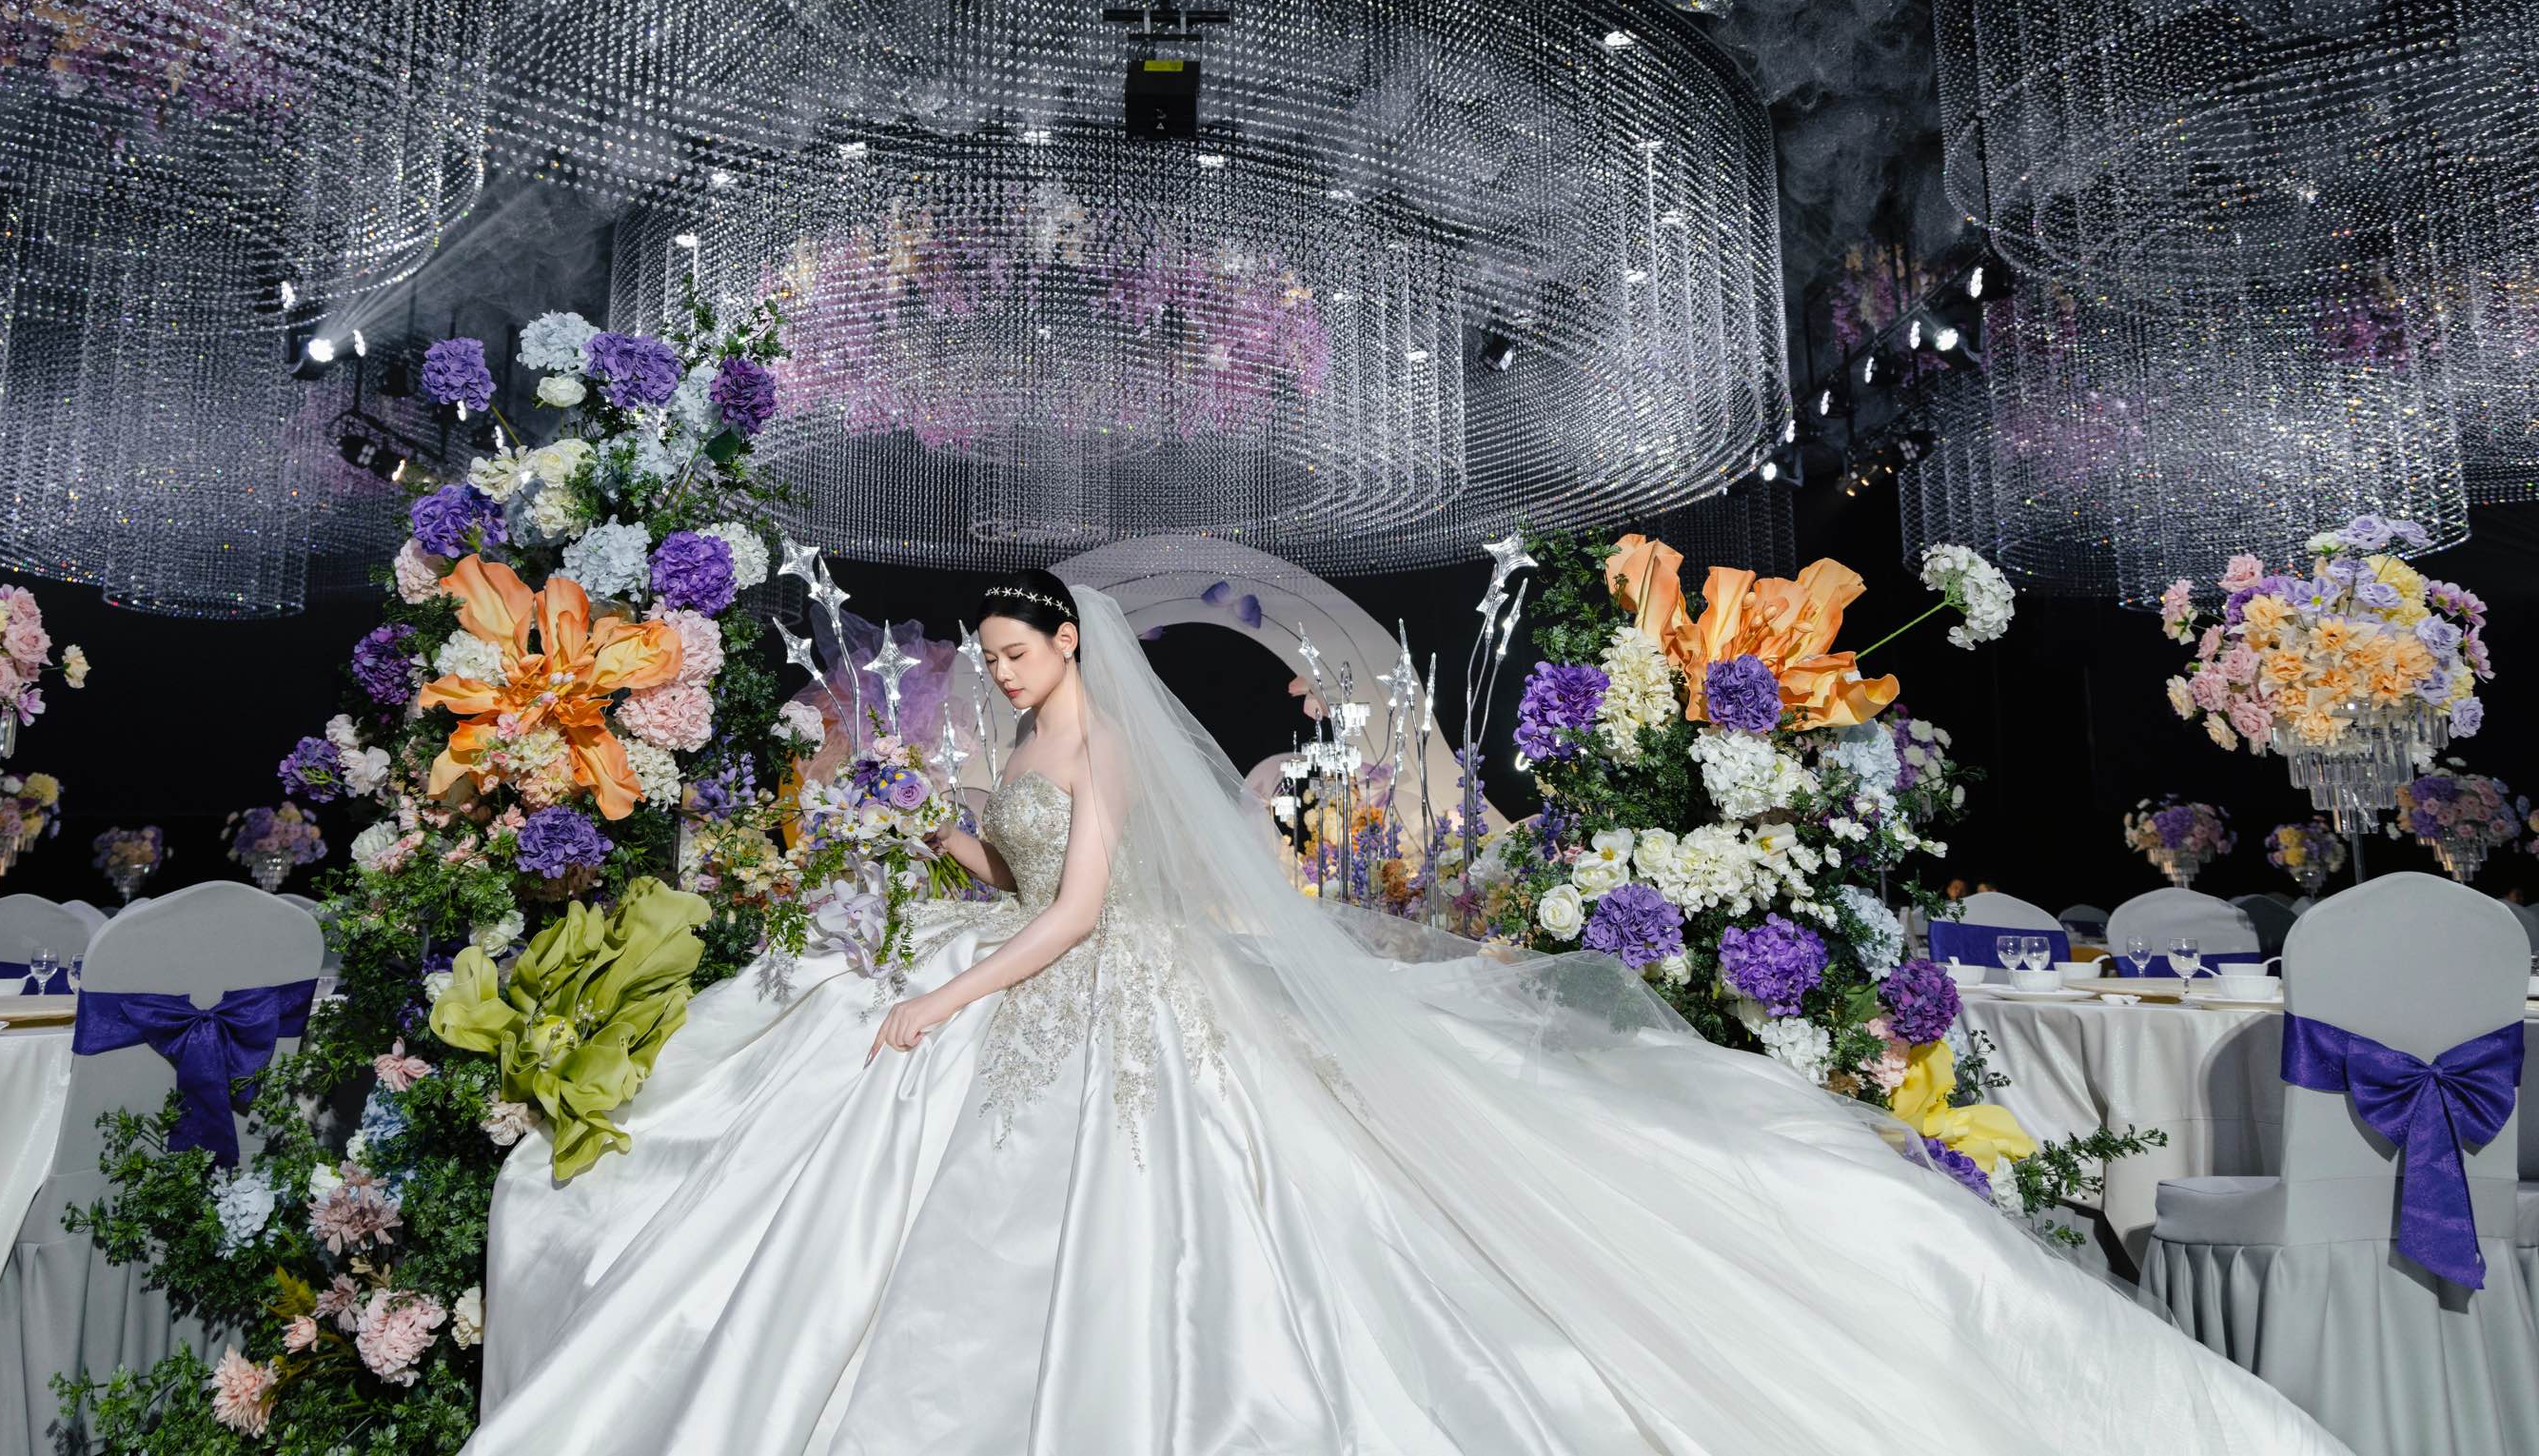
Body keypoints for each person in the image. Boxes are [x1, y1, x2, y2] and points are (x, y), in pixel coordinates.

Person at [470, 573, 2340, 1454]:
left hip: (1099, 993)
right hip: (1036, 989)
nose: (1007, 674)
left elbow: (1088, 907)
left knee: (1236, 1212)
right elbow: (1016, 864)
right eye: (999, 657)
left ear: (1070, 646)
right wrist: (927, 861)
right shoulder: (1022, 740)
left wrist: (950, 987)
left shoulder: (1098, 743)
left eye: (1022, 650)